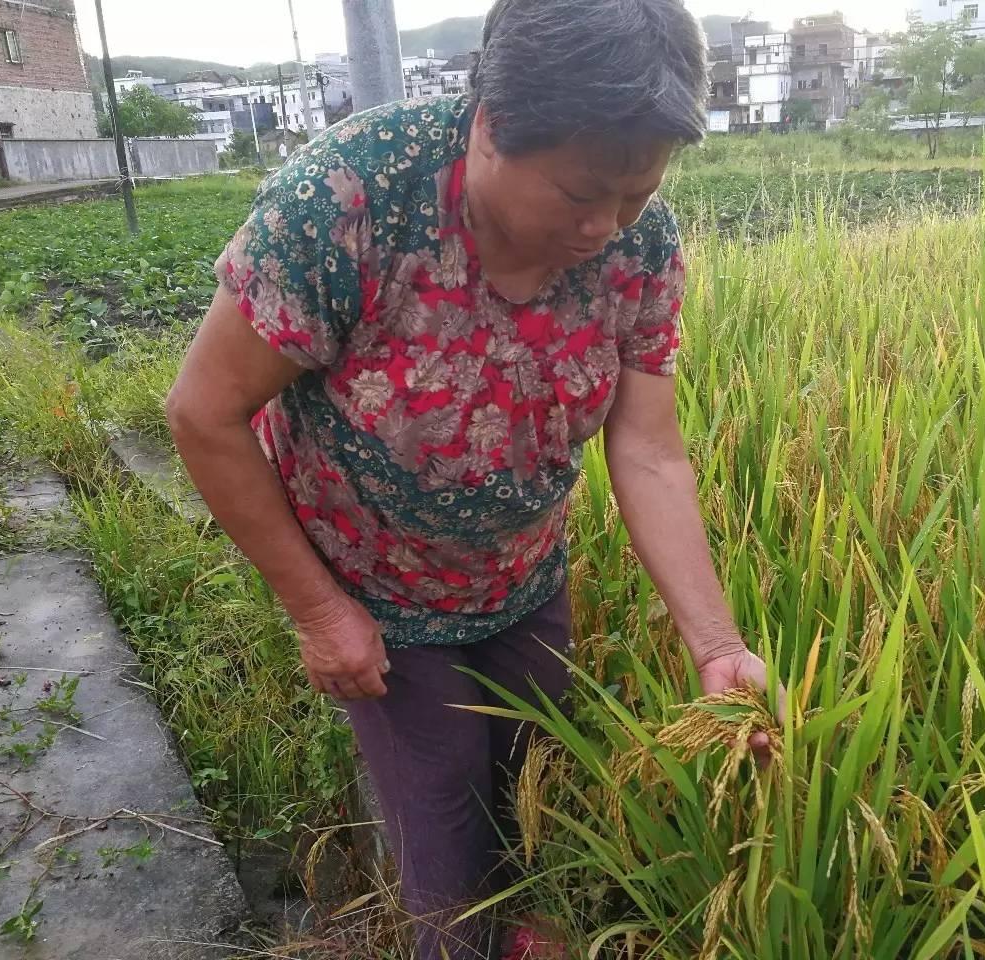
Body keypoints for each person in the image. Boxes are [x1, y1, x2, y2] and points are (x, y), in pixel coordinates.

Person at [167, 1, 772, 957]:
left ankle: (522, 927)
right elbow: (203, 414)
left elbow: (649, 450)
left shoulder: (639, 247)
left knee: (533, 780)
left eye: (637, 193)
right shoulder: (350, 202)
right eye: (581, 192)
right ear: (489, 126)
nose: (605, 225)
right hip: (380, 585)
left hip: (525, 568)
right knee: (444, 833)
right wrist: (323, 614)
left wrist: (716, 643)